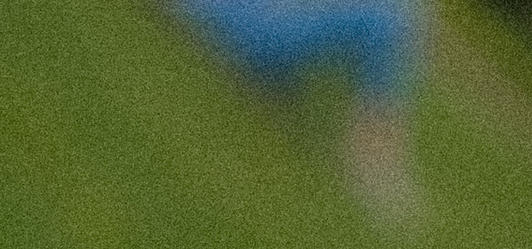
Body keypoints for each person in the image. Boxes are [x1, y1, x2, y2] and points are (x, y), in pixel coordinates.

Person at [165, 1, 429, 224]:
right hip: (249, 28)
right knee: (386, 23)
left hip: (249, 23)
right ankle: (372, 159)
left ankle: (374, 156)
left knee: (390, 19)